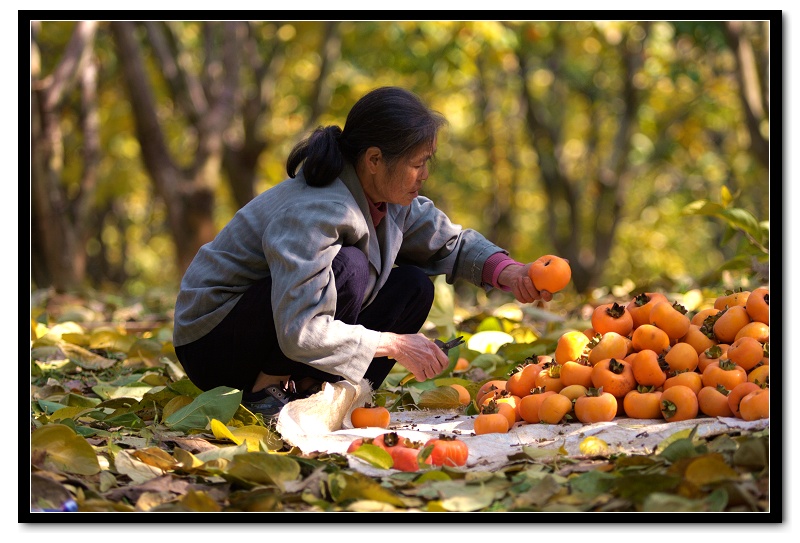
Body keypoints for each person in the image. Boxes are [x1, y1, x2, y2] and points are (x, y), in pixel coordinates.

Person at [173, 86, 553, 418]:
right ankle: (265, 391)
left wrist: (511, 272)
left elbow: (448, 242)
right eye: (417, 164)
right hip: (214, 342)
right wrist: (393, 344)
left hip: (274, 330)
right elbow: (300, 329)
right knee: (350, 267)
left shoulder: (392, 197)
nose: (424, 175)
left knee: (413, 287)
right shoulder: (317, 210)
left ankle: (319, 393)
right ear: (374, 160)